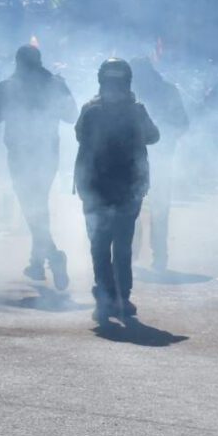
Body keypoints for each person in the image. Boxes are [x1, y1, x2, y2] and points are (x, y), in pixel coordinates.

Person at [0, 45, 77, 289]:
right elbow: (72, 115)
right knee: (38, 204)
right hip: (48, 154)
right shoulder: (54, 84)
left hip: (21, 155)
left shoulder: (9, 87)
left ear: (18, 62)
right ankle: (36, 262)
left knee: (32, 207)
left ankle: (53, 255)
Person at [74, 59, 160, 322]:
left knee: (100, 244)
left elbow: (79, 135)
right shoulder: (136, 111)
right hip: (125, 188)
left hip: (97, 188)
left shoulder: (90, 110)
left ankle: (105, 295)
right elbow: (154, 136)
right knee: (122, 244)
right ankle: (120, 295)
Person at [129, 57, 189, 272]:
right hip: (143, 159)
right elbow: (183, 123)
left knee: (135, 207)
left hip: (148, 159)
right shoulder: (163, 91)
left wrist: (165, 139)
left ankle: (137, 254)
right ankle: (157, 255)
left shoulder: (132, 94)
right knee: (157, 208)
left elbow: (181, 123)